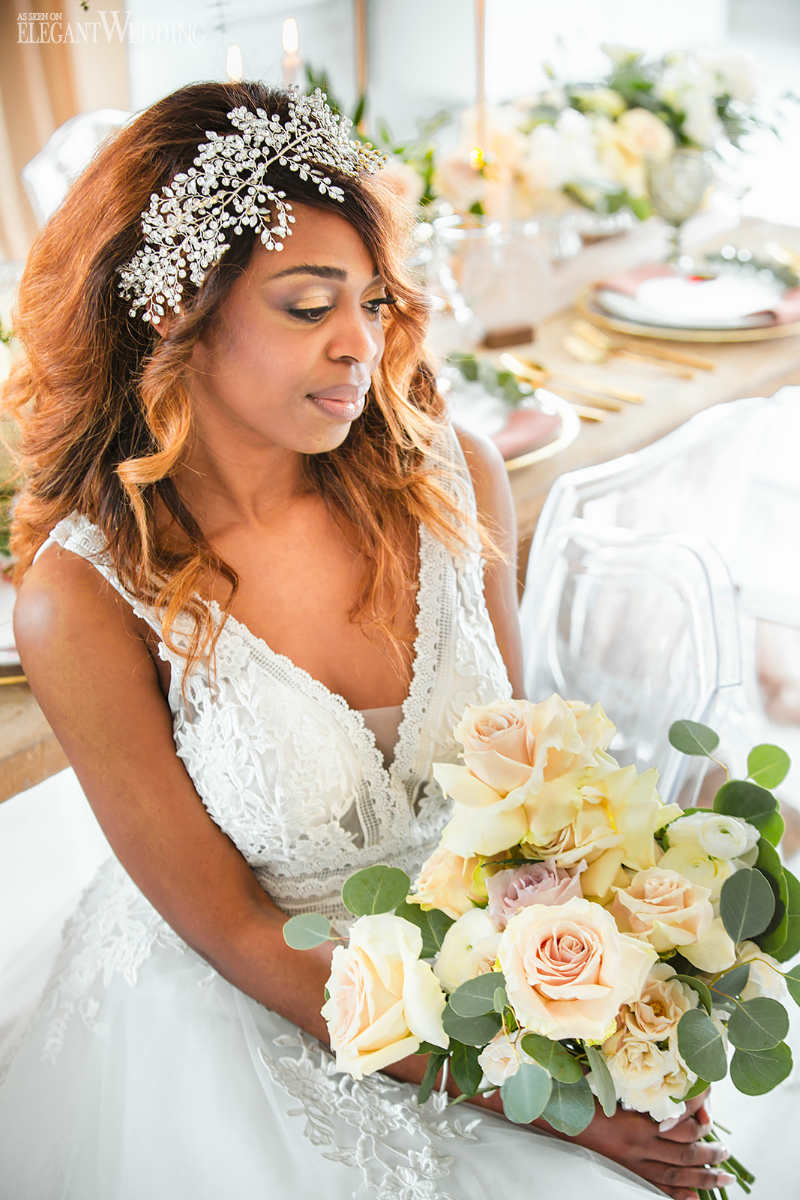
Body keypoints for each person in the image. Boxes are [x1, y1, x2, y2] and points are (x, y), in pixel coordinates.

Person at [0, 81, 731, 1200]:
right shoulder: (82, 599)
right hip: (252, 1021)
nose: (359, 344)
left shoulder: (453, 478)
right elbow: (239, 931)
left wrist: (619, 1020)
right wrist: (550, 1109)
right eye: (308, 307)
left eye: (375, 301)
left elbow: (529, 799)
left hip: (489, 980)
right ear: (174, 312)